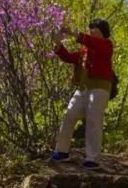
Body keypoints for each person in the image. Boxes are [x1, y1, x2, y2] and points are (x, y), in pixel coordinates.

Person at [50, 19, 113, 169]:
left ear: (103, 32)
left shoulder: (106, 45)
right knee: (70, 115)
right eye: (90, 29)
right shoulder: (85, 50)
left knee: (93, 120)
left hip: (100, 88)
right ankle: (62, 151)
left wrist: (73, 32)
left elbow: (91, 42)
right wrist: (58, 44)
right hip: (83, 89)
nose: (91, 31)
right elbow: (69, 57)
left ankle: (92, 159)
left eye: (94, 29)